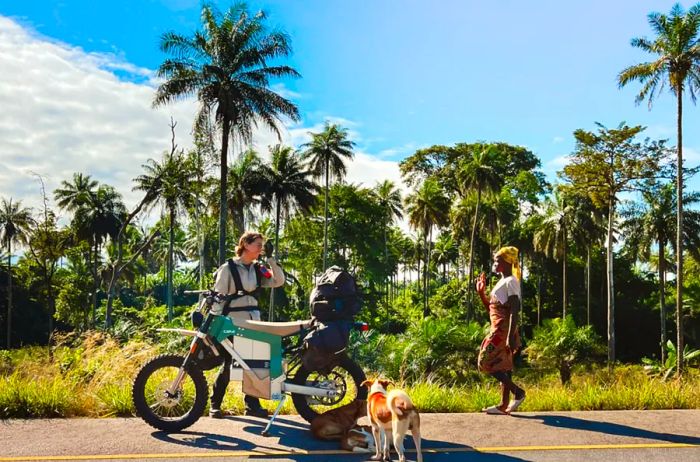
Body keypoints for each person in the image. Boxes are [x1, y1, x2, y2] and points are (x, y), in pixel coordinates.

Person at [209, 231, 285, 418]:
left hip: (253, 322)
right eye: (258, 244)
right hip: (232, 321)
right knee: (229, 363)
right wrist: (214, 321)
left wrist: (271, 261)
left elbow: (278, 281)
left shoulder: (258, 269)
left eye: (262, 245)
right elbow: (217, 297)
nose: (261, 247)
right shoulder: (228, 268)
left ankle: (252, 405)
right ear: (245, 244)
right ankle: (215, 404)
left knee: (254, 363)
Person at [475, 246, 526, 415]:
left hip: (501, 332)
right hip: (499, 329)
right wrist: (482, 293)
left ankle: (517, 392)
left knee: (484, 361)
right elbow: (491, 309)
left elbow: (514, 310)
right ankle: (503, 405)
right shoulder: (502, 281)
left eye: (497, 260)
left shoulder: (511, 281)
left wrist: (510, 336)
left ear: (506, 262)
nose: (494, 263)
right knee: (503, 366)